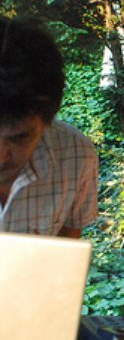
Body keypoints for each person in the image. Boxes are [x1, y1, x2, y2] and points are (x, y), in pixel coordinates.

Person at [0, 16, 98, 237]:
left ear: (47, 121)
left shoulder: (75, 156)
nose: (1, 156)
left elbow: (65, 249)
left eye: (20, 137)